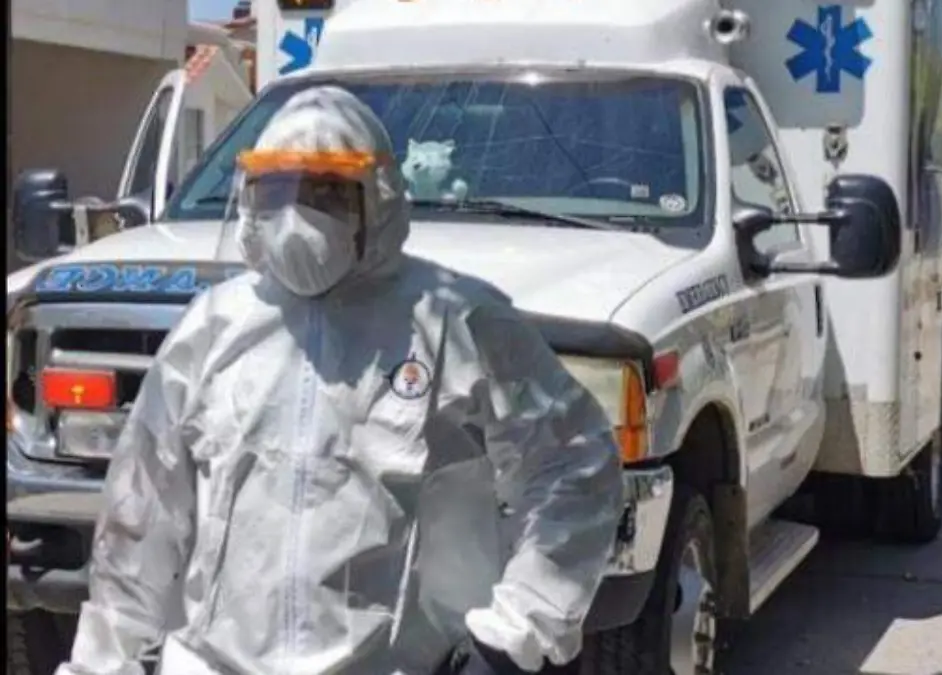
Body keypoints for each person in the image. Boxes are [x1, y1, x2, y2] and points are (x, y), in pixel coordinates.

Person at [57, 86, 625, 675]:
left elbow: (575, 464)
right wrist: (104, 663)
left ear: (377, 198)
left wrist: (516, 631)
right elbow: (141, 516)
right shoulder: (213, 329)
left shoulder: (455, 323)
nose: (296, 216)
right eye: (276, 190)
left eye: (326, 192)